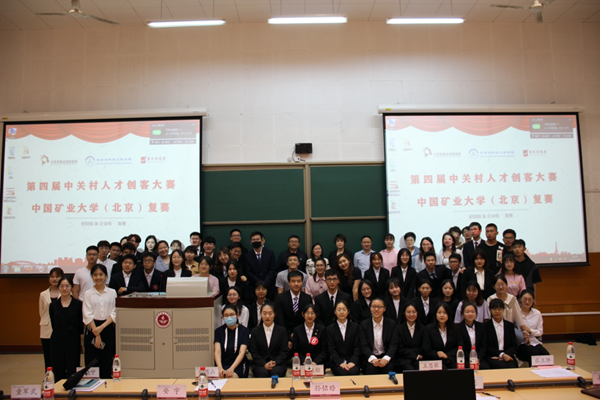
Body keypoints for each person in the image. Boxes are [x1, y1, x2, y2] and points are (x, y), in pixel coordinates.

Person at [82, 264, 117, 379]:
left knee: (107, 360)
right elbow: (87, 314)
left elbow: (114, 312)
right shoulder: (87, 293)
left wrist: (101, 328)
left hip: (107, 327)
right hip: (92, 328)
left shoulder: (112, 292)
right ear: (92, 276)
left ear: (106, 276)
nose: (98, 277)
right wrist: (96, 333)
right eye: (95, 275)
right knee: (92, 361)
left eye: (101, 274)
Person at [49, 276, 82, 381]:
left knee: (72, 364)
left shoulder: (78, 304)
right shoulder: (53, 305)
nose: (64, 289)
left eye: (67, 286)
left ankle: (72, 385)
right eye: (62, 286)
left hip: (73, 337)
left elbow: (80, 323)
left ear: (71, 287)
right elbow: (53, 322)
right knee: (58, 364)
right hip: (57, 337)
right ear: (58, 288)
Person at [359, 298, 398, 375]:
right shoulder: (364, 325)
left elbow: (394, 344)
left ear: (384, 309)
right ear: (370, 308)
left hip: (386, 356)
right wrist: (373, 359)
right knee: (371, 369)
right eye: (373, 306)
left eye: (379, 307)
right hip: (370, 357)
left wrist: (386, 359)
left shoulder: (391, 324)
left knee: (388, 369)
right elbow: (364, 345)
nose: (376, 309)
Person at [249, 303, 288, 378]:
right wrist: (264, 363)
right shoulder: (255, 331)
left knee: (276, 372)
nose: (267, 316)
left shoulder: (282, 331)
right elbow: (254, 352)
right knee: (262, 373)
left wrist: (275, 362)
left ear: (275, 314)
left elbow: (284, 351)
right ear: (260, 314)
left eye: (270, 314)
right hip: (260, 364)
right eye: (264, 313)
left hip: (278, 364)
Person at [487, 275, 527, 344]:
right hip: (495, 328)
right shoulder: (490, 299)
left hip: (509, 328)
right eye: (498, 285)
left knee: (520, 336)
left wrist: (523, 330)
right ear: (494, 286)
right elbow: (489, 316)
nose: (501, 287)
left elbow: (518, 317)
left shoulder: (512, 299)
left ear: (506, 285)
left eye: (503, 284)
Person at [214, 304, 250, 378]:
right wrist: (220, 368)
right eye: (226, 315)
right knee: (220, 378)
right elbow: (217, 351)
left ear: (237, 315)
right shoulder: (218, 331)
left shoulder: (244, 331)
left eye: (232, 315)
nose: (229, 317)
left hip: (238, 364)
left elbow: (242, 352)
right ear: (223, 317)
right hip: (223, 363)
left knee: (231, 377)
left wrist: (232, 368)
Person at [326, 300, 361, 376]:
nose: (341, 312)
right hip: (337, 362)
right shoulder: (330, 329)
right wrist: (340, 362)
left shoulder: (355, 327)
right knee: (342, 372)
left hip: (352, 361)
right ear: (335, 312)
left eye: (344, 310)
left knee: (353, 372)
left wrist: (353, 361)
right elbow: (331, 349)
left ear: (348, 311)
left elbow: (357, 346)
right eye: (339, 310)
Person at [275, 271, 312, 339]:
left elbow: (307, 319)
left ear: (302, 282)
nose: (296, 284)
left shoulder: (307, 298)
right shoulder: (280, 298)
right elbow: (280, 320)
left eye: (299, 281)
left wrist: (299, 334)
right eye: (293, 281)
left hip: (303, 334)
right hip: (284, 333)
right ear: (289, 283)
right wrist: (287, 337)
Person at [39, 267, 64, 370]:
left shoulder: (66, 292)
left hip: (61, 328)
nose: (54, 279)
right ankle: (49, 376)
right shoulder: (43, 294)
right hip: (46, 329)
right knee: (48, 356)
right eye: (52, 277)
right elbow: (41, 312)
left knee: (60, 355)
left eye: (57, 276)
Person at [423, 302, 460, 369]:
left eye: (445, 313)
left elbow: (460, 346)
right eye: (439, 312)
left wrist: (447, 355)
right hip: (435, 361)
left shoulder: (455, 328)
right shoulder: (428, 329)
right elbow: (427, 349)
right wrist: (438, 354)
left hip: (451, 359)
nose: (442, 315)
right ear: (435, 314)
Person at [517, 290, 550, 366]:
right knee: (533, 354)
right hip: (521, 343)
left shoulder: (537, 313)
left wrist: (530, 331)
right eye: (525, 299)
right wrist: (522, 334)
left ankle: (544, 373)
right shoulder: (516, 312)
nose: (527, 302)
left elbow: (540, 332)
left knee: (546, 355)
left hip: (534, 341)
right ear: (520, 299)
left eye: (530, 300)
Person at [484, 299, 519, 369]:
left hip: (508, 355)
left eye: (499, 309)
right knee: (500, 366)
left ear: (503, 310)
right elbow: (486, 346)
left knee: (513, 366)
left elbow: (513, 345)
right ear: (490, 310)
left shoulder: (509, 325)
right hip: (493, 356)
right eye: (494, 309)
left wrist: (506, 355)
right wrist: (502, 355)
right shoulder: (485, 326)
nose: (497, 312)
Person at [455, 301, 489, 369]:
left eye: (472, 312)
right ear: (462, 313)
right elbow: (460, 345)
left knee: (486, 368)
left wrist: (478, 358)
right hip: (465, 359)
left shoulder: (481, 326)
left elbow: (483, 345)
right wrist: (471, 359)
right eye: (467, 312)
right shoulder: (458, 328)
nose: (470, 314)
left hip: (479, 358)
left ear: (476, 313)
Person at [243, 231, 277, 298]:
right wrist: (259, 283)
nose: (256, 241)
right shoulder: (247, 256)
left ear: (262, 241)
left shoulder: (270, 253)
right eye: (254, 240)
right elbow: (248, 272)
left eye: (257, 239)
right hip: (254, 287)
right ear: (251, 242)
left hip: (269, 286)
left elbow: (272, 270)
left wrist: (265, 283)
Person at [396, 302, 425, 372]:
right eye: (408, 312)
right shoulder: (398, 329)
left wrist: (417, 355)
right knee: (410, 371)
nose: (411, 314)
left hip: (420, 359)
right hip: (403, 359)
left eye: (414, 312)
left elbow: (424, 347)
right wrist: (415, 355)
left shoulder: (423, 328)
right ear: (404, 313)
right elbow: (400, 348)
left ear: (417, 313)